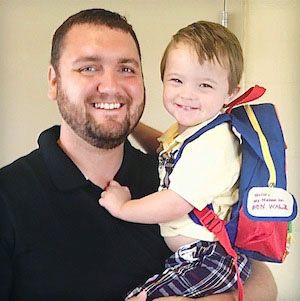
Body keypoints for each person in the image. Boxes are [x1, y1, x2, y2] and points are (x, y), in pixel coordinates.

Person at [0, 8, 277, 301]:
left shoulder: (167, 173)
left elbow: (258, 278)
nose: (111, 86)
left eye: (126, 69)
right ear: (54, 82)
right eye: (88, 68)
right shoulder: (8, 196)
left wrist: (225, 300)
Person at [99, 21, 254, 300]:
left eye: (204, 85)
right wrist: (131, 124)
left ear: (231, 92)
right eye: (176, 80)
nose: (187, 94)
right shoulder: (197, 130)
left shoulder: (215, 143)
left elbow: (176, 202)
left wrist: (123, 207)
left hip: (209, 256)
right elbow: (166, 149)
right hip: (196, 256)